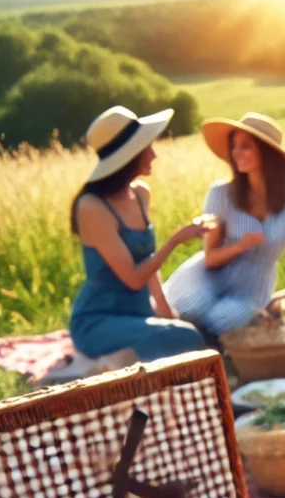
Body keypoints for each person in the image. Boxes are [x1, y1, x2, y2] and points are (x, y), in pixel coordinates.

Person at [69, 106, 210, 366]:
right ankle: (113, 367)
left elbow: (148, 264)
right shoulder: (92, 206)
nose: (154, 154)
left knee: (191, 335)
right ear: (129, 156)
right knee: (187, 339)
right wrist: (175, 241)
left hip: (138, 313)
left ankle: (122, 363)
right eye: (147, 148)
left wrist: (167, 313)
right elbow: (134, 278)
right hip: (99, 320)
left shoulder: (141, 193)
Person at [163, 113, 285, 338]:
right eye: (234, 146)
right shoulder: (221, 193)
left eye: (245, 146)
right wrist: (240, 246)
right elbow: (210, 258)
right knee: (190, 308)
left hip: (252, 287)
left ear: (266, 152)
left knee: (217, 324)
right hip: (211, 273)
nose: (237, 152)